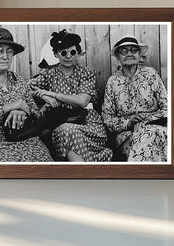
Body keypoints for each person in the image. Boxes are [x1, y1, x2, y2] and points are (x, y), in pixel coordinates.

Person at [0, 27, 52, 162]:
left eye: (9, 51)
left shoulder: (19, 80)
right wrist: (7, 108)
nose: (5, 56)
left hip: (25, 139)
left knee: (44, 163)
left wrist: (23, 111)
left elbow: (38, 115)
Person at [30, 29, 113, 162]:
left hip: (89, 123)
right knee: (66, 131)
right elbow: (24, 88)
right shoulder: (49, 74)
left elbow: (82, 101)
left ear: (78, 54)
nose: (68, 56)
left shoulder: (86, 73)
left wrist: (53, 94)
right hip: (62, 122)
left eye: (72, 52)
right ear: (56, 54)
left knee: (68, 131)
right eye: (63, 52)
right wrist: (43, 96)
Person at [102, 35, 167, 162]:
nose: (129, 54)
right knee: (148, 137)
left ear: (139, 55)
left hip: (155, 126)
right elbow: (107, 119)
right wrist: (130, 122)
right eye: (124, 51)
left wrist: (148, 120)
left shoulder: (151, 74)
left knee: (153, 132)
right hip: (126, 134)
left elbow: (167, 107)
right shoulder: (112, 82)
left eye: (133, 50)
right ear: (118, 56)